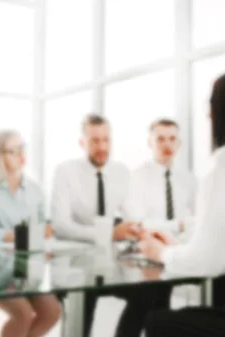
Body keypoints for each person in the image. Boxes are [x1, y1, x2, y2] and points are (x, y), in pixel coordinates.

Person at [51, 114, 169, 337]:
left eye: (106, 140)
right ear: (82, 143)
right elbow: (60, 225)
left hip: (111, 265)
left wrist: (136, 229)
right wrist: (108, 234)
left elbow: (134, 215)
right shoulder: (65, 172)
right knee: (83, 307)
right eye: (95, 141)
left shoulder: (121, 172)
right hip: (75, 265)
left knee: (152, 293)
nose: (102, 146)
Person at [142, 74, 225, 336]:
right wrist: (184, 248)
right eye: (161, 139)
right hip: (186, 252)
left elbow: (207, 261)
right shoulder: (137, 177)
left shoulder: (216, 172)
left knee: (157, 321)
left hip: (182, 259)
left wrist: (162, 253)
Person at [0, 130, 61, 337]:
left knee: (52, 312)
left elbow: (45, 228)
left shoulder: (34, 189)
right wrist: (22, 235)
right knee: (23, 314)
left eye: (21, 149)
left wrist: (43, 232)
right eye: (12, 151)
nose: (20, 155)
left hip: (28, 268)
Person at [126, 118, 197, 235]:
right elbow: (138, 224)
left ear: (179, 143)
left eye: (172, 139)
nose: (167, 144)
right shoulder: (136, 177)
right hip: (149, 245)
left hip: (183, 247)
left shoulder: (189, 179)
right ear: (150, 142)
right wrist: (179, 225)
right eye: (160, 139)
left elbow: (199, 219)